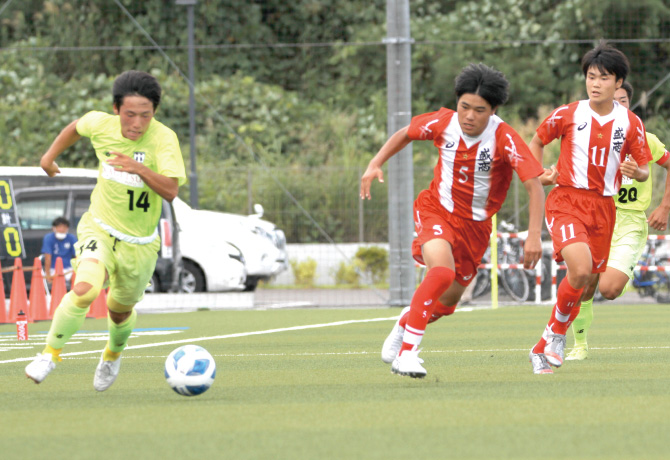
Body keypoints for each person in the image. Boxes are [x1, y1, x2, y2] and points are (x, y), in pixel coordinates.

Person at [360, 63, 545, 378]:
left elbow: (534, 186)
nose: (469, 116)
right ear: (456, 102)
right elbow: (405, 133)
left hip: (475, 228)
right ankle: (407, 354)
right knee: (441, 271)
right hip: (436, 210)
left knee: (446, 304)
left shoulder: (504, 137)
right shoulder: (444, 123)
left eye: (479, 110)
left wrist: (534, 235)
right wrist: (375, 163)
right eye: (464, 107)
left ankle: (407, 320)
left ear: (494, 110)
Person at [25, 70, 186, 391]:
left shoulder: (164, 139)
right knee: (85, 288)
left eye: (145, 115)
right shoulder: (101, 124)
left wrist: (139, 167)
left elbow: (170, 190)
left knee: (119, 310)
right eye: (130, 114)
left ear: (154, 113)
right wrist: (48, 157)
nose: (137, 123)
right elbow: (76, 127)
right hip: (98, 227)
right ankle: (49, 354)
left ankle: (112, 355)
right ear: (116, 110)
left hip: (139, 243)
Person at [528, 43, 652, 374]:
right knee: (580, 270)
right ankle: (557, 336)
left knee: (588, 284)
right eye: (590, 76)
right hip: (566, 199)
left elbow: (644, 168)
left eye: (603, 77)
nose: (595, 83)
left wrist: (635, 172)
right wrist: (539, 174)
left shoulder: (629, 122)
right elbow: (537, 141)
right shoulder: (568, 113)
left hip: (604, 207)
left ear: (618, 82)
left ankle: (542, 346)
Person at [566, 81, 670, 360]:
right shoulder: (589, 137)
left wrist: (665, 206)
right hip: (594, 217)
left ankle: (625, 269)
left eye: (622, 101)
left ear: (629, 105)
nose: (617, 106)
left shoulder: (646, 140)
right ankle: (579, 346)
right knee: (583, 282)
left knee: (609, 289)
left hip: (630, 221)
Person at [41, 216, 77, 285]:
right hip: (53, 269)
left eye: (64, 227)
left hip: (68, 269)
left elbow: (77, 255)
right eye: (59, 227)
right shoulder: (48, 238)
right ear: (54, 228)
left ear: (67, 228)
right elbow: (47, 257)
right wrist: (48, 274)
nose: (62, 229)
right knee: (56, 284)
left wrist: (77, 271)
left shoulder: (71, 238)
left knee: (76, 280)